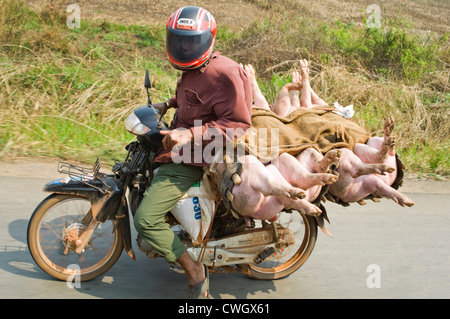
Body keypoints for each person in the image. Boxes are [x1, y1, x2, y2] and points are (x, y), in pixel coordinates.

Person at [133, 6, 252, 299]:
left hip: (197, 156)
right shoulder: (192, 68)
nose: (185, 47)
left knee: (145, 219)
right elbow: (194, 95)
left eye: (191, 41)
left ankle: (194, 270)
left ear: (207, 40)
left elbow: (237, 124)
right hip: (181, 145)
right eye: (180, 41)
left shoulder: (225, 73)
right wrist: (167, 104)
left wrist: (189, 133)